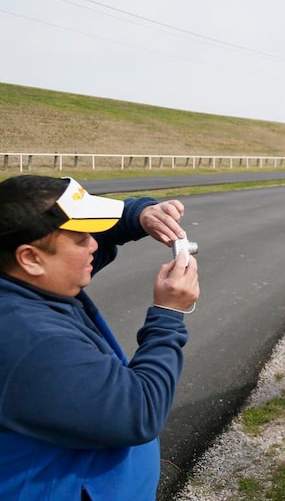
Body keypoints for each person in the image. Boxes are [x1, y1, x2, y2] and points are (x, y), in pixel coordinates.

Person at [0, 175, 200, 501]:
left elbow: (99, 240)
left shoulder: (24, 280)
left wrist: (139, 216)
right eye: (80, 239)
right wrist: (168, 315)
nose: (94, 244)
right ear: (30, 258)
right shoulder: (32, 341)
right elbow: (139, 411)